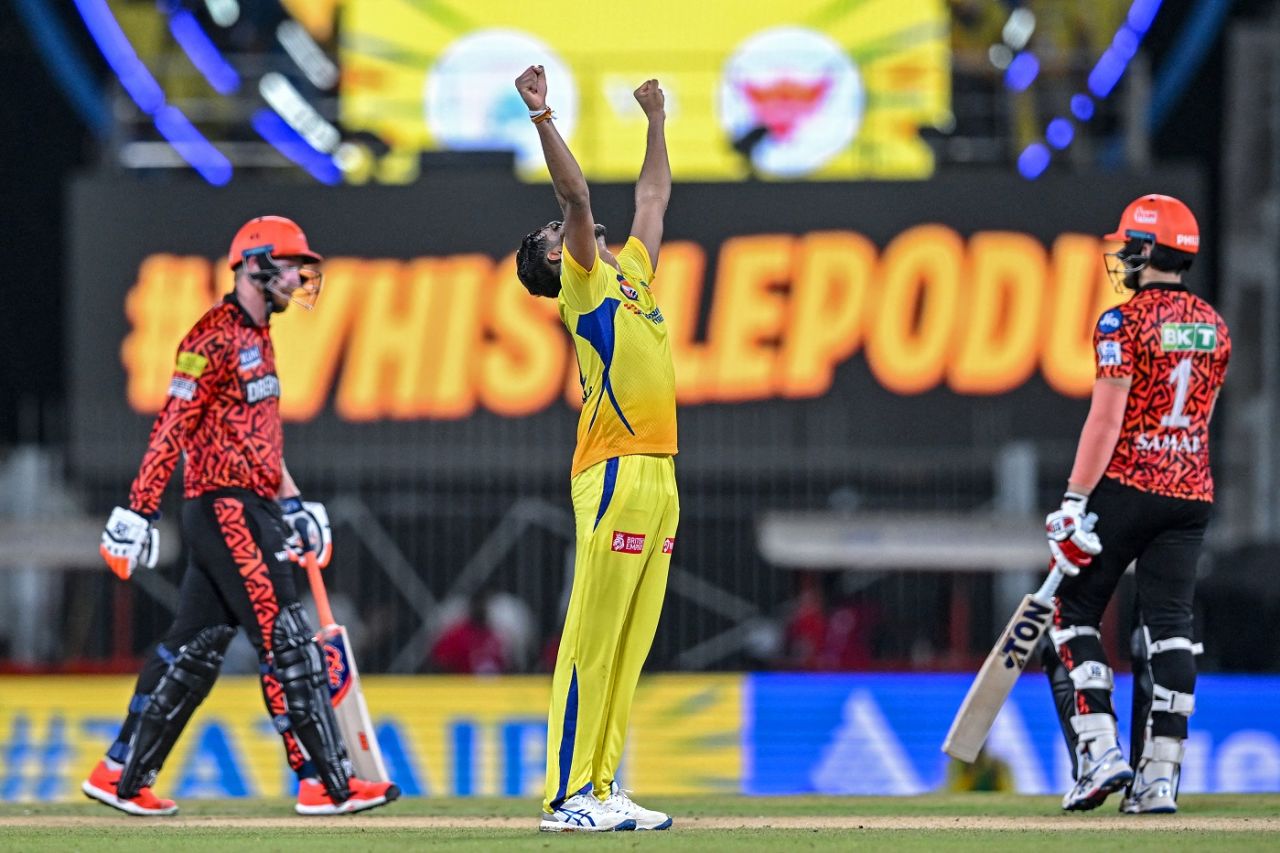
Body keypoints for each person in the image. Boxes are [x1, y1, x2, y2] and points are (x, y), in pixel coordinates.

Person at [90, 216, 399, 816]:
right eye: (290, 263)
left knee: (196, 648)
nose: (300, 277)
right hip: (225, 509)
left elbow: (262, 441)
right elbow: (171, 428)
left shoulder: (260, 337)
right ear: (255, 263)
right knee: (286, 639)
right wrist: (137, 510)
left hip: (253, 506)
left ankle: (119, 775)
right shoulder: (211, 337)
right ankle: (326, 783)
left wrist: (294, 501)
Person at [513, 65, 678, 833]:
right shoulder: (582, 281)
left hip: (662, 473)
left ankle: (604, 785)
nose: (573, 231)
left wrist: (656, 122)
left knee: (629, 642)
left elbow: (653, 198)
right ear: (555, 258)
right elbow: (575, 198)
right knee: (590, 636)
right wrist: (544, 117)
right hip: (611, 471)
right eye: (557, 237)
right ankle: (566, 796)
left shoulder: (634, 276)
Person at [1040, 194, 1229, 814]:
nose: (1123, 256)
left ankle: (1099, 752)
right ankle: (1159, 780)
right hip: (1191, 490)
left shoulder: (1122, 323)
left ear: (1148, 251)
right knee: (1172, 630)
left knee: (1070, 613)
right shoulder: (1214, 327)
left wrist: (1074, 500)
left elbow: (1106, 417)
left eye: (1129, 246)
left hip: (1128, 485)